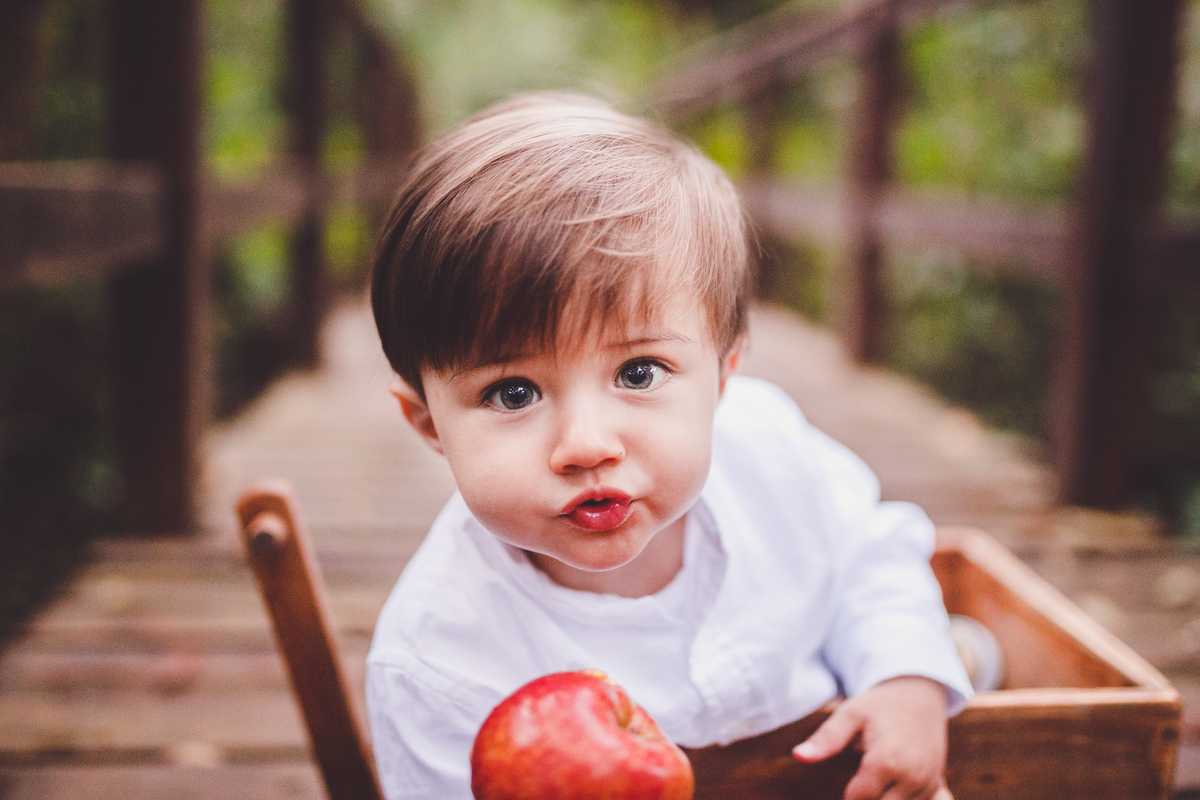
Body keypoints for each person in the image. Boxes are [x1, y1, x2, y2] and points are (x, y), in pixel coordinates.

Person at [366, 92, 972, 800]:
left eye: (639, 373)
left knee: (939, 655)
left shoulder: (769, 453)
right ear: (428, 423)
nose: (586, 445)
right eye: (513, 393)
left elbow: (868, 553)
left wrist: (906, 675)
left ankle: (963, 658)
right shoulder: (438, 664)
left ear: (723, 375)